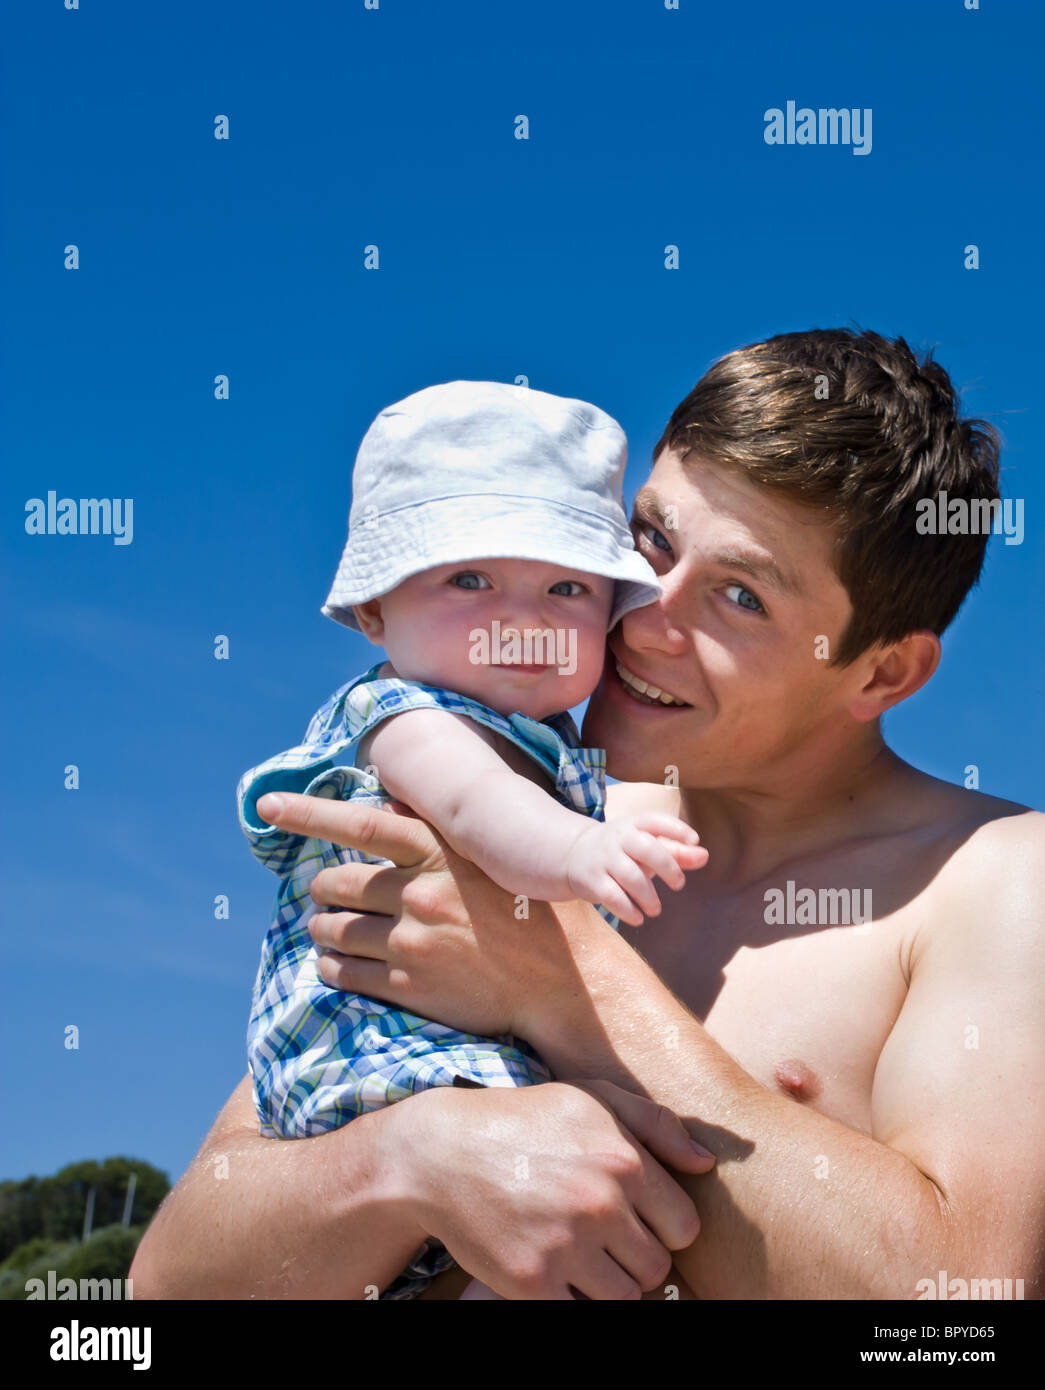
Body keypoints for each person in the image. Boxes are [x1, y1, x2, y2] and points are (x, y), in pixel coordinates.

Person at [131, 328, 1045, 1300]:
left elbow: (962, 1315)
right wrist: (406, 1162)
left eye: (738, 595)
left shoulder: (994, 881)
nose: (643, 616)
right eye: (649, 541)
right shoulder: (475, 804)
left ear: (881, 671)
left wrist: (564, 988)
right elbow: (168, 1293)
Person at [235, 380, 706, 1298]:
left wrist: (647, 820)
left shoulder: (559, 754)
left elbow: (613, 808)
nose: (522, 617)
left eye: (566, 587)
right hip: (382, 1062)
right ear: (374, 611)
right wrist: (584, 851)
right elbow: (481, 807)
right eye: (469, 579)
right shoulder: (397, 715)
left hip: (466, 1072)